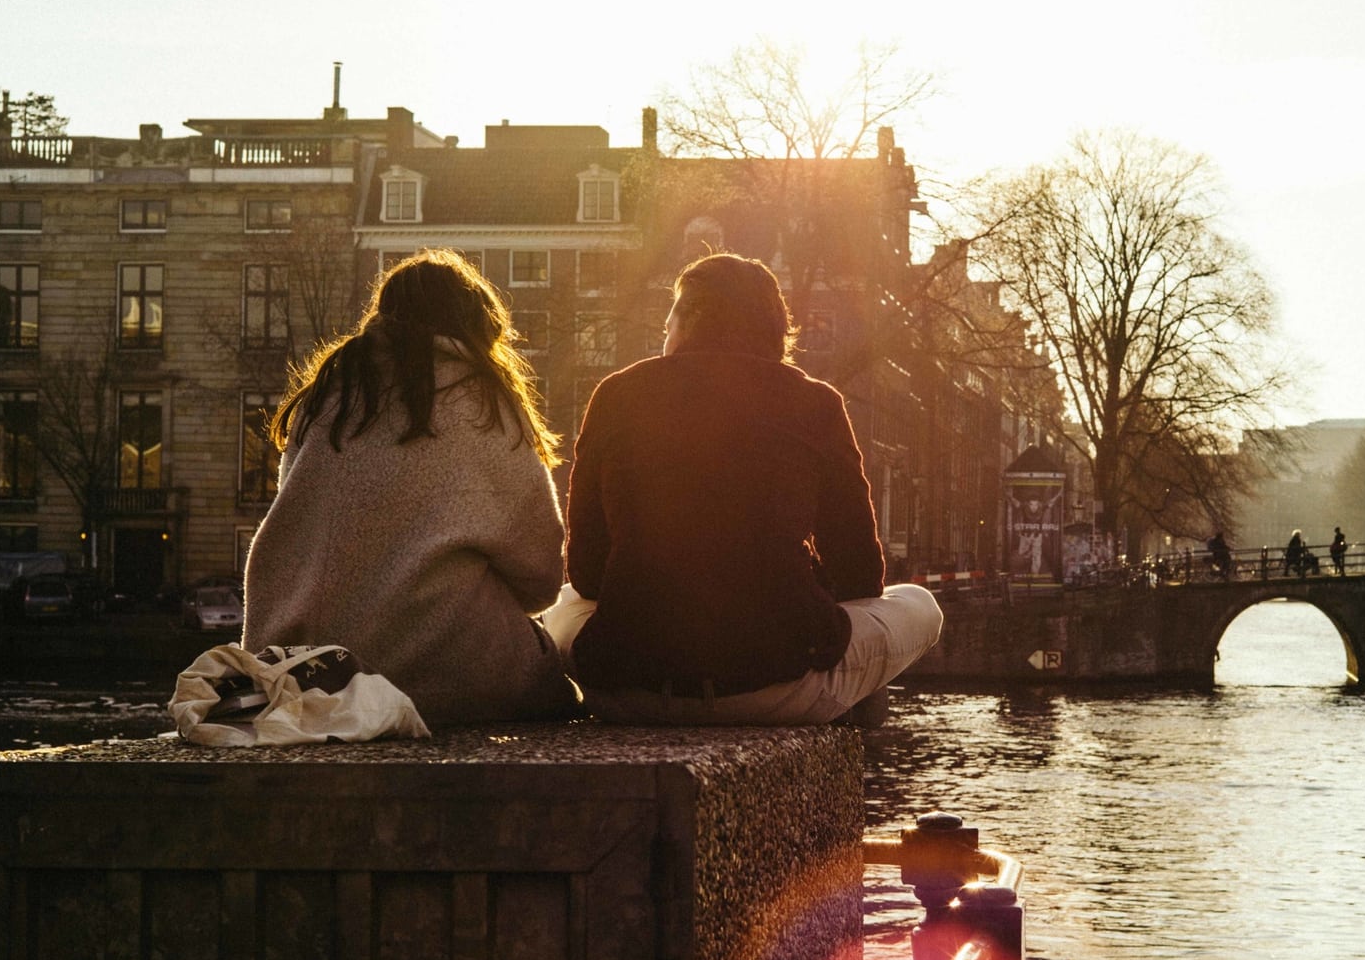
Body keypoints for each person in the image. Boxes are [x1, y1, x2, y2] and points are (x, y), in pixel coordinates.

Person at [542, 254, 942, 724]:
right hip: (776, 691)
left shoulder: (615, 394)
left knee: (564, 603)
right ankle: (854, 705)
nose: (664, 331)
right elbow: (860, 575)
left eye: (670, 317)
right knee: (921, 606)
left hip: (628, 689)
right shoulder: (817, 403)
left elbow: (588, 573)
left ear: (688, 318)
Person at [242, 250, 574, 725]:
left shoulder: (327, 393)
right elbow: (540, 577)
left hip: (309, 677)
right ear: (476, 322)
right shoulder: (483, 399)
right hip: (444, 675)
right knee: (561, 648)